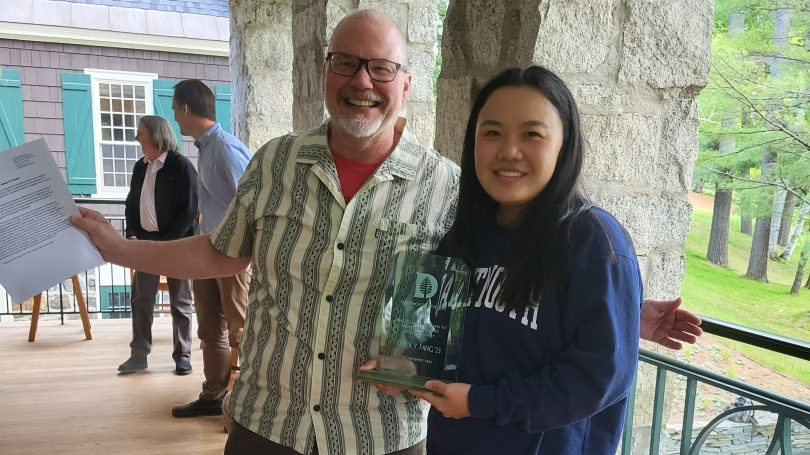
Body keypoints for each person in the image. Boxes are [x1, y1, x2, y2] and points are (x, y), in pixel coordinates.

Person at [70, 9, 701, 455]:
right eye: (346, 63)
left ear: (406, 83)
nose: (361, 82)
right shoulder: (275, 161)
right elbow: (221, 251)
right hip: (269, 423)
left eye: (380, 68)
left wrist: (620, 309)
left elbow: (505, 279)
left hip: (383, 431)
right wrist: (124, 248)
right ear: (325, 73)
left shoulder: (452, 189)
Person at [401, 66, 652, 454]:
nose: (508, 151)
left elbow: (598, 378)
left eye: (532, 134)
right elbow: (432, 339)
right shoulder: (463, 238)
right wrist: (406, 369)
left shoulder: (592, 241)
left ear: (564, 145)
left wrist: (480, 402)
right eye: (492, 132)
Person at [168, 80, 253, 419]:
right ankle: (213, 395)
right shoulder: (207, 148)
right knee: (209, 328)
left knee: (242, 329)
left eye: (175, 109)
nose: (174, 117)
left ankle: (251, 403)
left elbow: (253, 202)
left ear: (186, 109)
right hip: (208, 254)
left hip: (232, 258)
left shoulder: (226, 149)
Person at [118, 115, 198, 376]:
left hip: (177, 244)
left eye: (140, 132)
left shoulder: (181, 166)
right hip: (145, 244)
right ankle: (139, 355)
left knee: (181, 302)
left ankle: (183, 356)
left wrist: (168, 243)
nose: (136, 137)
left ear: (155, 135)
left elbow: (190, 210)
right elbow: (131, 204)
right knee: (141, 300)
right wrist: (131, 234)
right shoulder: (140, 167)